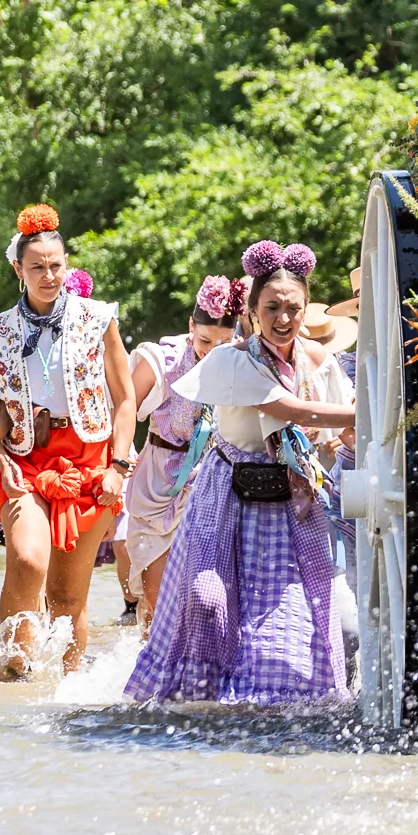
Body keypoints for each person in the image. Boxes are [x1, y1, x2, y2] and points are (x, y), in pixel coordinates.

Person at [127, 240, 357, 707]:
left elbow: (348, 428)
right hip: (226, 495)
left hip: (293, 502)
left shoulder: (320, 362)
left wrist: (377, 434)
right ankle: (196, 703)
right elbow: (287, 408)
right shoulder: (234, 359)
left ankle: (272, 710)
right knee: (208, 603)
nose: (283, 317)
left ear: (306, 308)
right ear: (252, 311)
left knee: (289, 621)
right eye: (272, 307)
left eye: (293, 308)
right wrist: (364, 416)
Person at [0, 206, 138, 675]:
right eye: (37, 267)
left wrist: (119, 467)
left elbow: (125, 400)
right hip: (24, 460)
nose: (49, 276)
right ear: (18, 269)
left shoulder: (98, 318)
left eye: (56, 265)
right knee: (26, 559)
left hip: (89, 461)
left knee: (69, 596)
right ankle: (17, 673)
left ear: (67, 265)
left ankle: (66, 694)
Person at [120, 274, 244, 627]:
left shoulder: (241, 360)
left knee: (201, 596)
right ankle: (148, 665)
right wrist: (121, 452)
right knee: (156, 598)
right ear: (191, 326)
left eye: (223, 343)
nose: (211, 351)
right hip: (158, 481)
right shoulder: (163, 359)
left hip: (212, 482)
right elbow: (124, 407)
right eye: (205, 340)